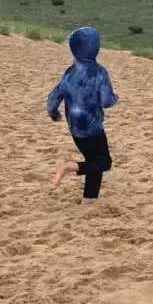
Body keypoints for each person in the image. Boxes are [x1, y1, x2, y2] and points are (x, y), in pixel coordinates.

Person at [47, 27, 119, 200]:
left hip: (75, 129)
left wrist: (54, 113)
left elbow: (53, 97)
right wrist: (116, 98)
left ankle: (89, 199)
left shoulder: (69, 73)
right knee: (104, 162)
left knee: (93, 160)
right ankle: (68, 167)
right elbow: (107, 101)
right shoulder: (99, 72)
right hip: (92, 128)